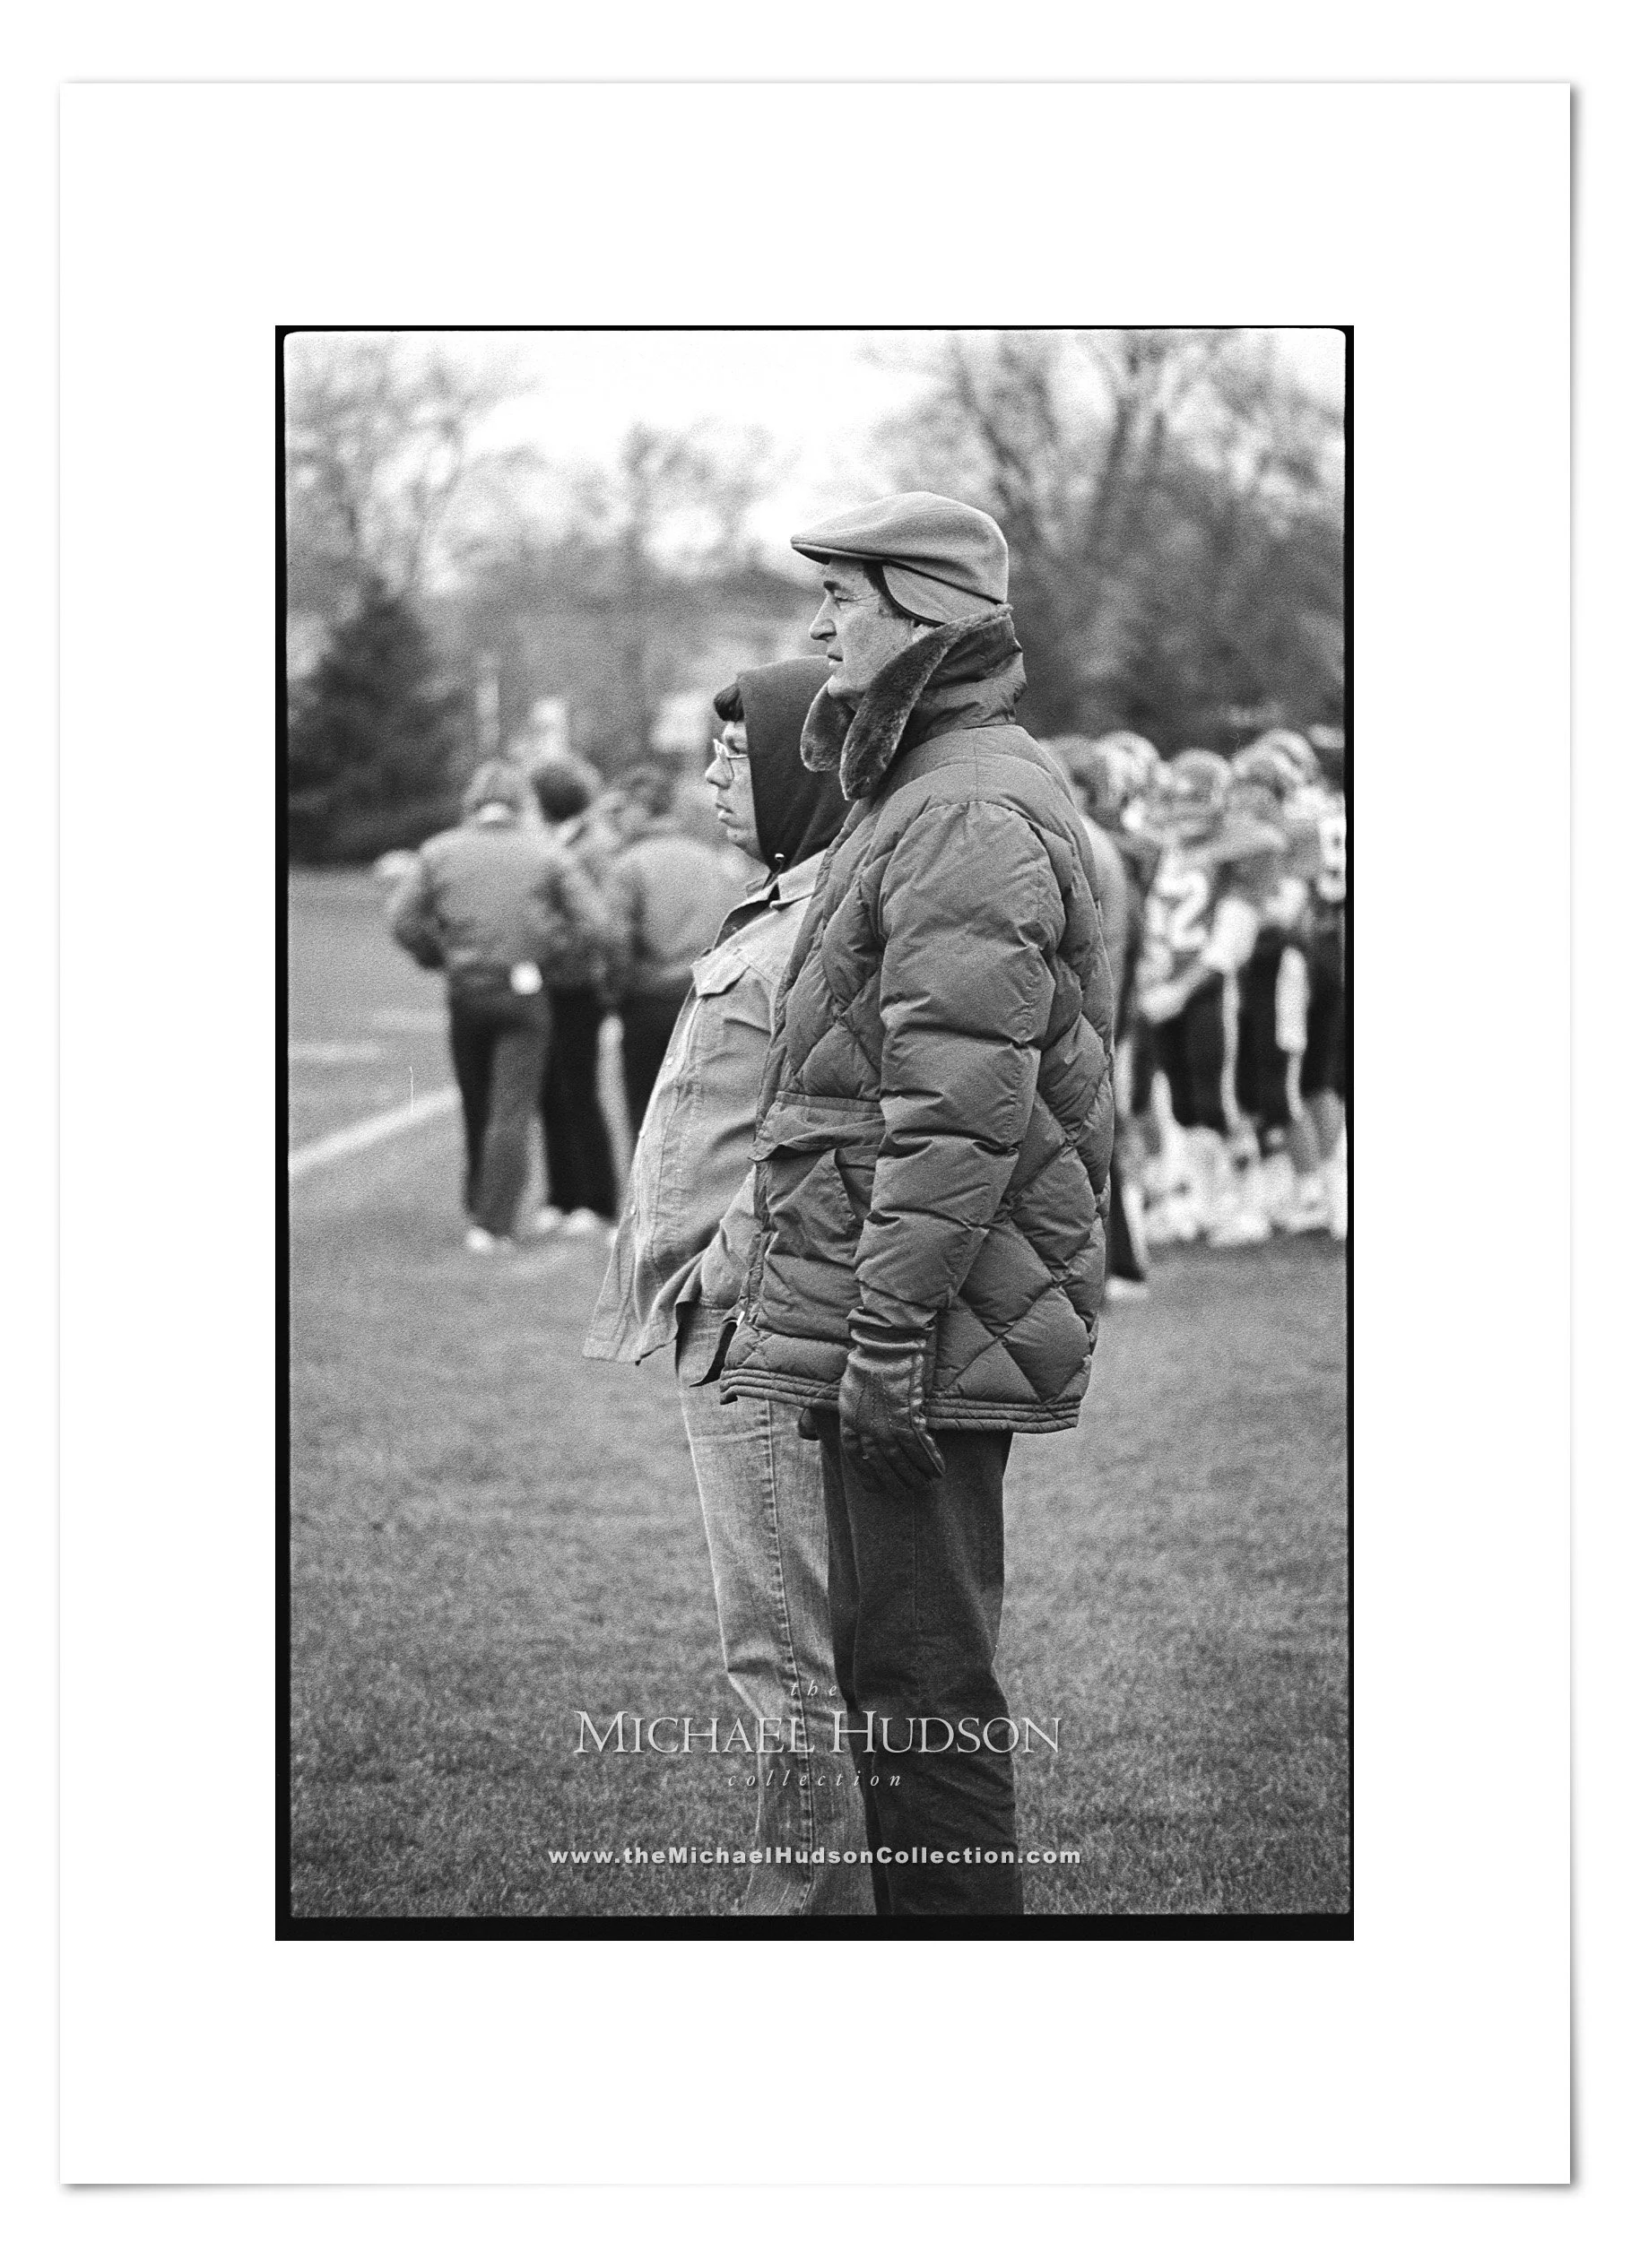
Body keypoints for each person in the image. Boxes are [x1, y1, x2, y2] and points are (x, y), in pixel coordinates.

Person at [719, 492, 1116, 1918]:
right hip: (901, 1314)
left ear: (922, 612)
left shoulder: (962, 805)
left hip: (921, 1330)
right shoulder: (929, 782)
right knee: (895, 1667)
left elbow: (957, 1110)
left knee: (923, 1684)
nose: (819, 623)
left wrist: (884, 1334)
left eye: (843, 593)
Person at [584, 658, 870, 1917]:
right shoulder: (776, 903)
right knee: (790, 1638)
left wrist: (725, 1264)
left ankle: (796, 1904)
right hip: (729, 1315)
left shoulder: (822, 921)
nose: (709, 778)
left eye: (730, 757)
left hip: (754, 1326)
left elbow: (823, 1119)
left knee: (782, 1651)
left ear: (802, 771)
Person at [386, 760, 611, 1252]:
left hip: (466, 987)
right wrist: (553, 954)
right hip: (524, 989)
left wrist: (438, 953)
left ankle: (479, 1206)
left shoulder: (439, 851)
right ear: (519, 803)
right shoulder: (545, 853)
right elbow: (595, 924)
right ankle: (493, 1222)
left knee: (476, 1102)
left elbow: (401, 917)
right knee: (512, 1109)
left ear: (473, 801)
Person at [1130, 749, 1286, 1248]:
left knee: (1217, 1101)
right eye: (1176, 800)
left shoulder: (1245, 847)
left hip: (1209, 991)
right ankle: (1204, 1200)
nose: (1182, 812)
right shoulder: (1164, 847)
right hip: (1165, 989)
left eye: (1194, 801)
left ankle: (1249, 1202)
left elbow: (1228, 943)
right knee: (1181, 1106)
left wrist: (1180, 989)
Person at [606, 765, 743, 1132]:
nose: (618, 820)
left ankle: (644, 1190)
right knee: (698, 1116)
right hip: (707, 996)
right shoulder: (710, 860)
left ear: (641, 808)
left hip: (648, 1001)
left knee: (646, 1115)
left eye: (624, 810)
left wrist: (614, 995)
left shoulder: (627, 866)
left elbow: (616, 942)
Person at [528, 754, 624, 1239]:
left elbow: (601, 917)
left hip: (580, 983)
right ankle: (560, 1195)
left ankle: (599, 1198)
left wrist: (551, 939)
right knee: (548, 1089)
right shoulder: (548, 842)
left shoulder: (596, 845)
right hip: (545, 981)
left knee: (578, 1089)